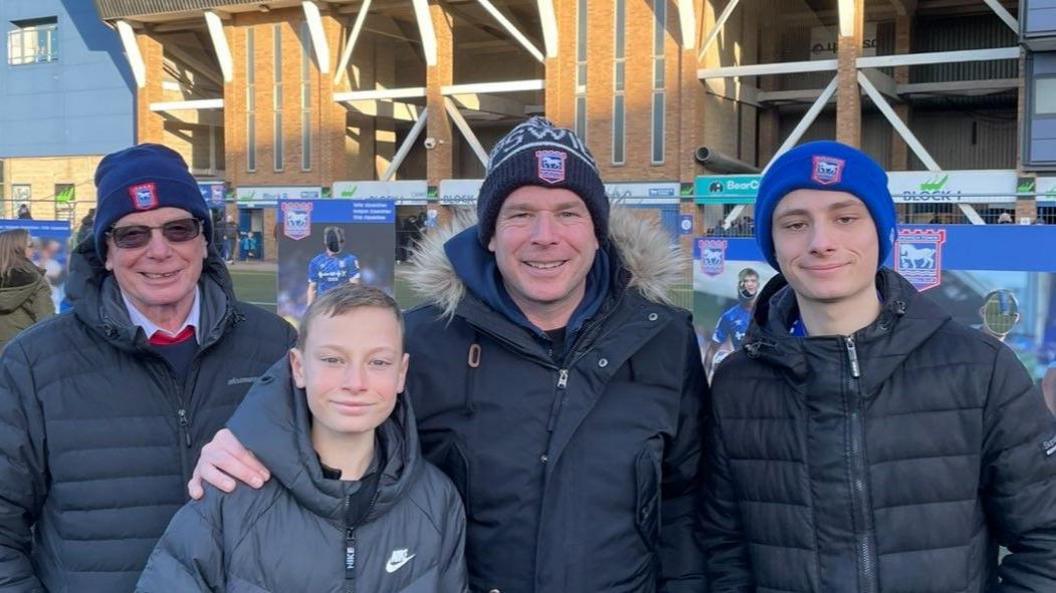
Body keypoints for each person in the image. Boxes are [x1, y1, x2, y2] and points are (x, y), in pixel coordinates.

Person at [191, 117, 708, 592]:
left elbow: (685, 502)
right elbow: (320, 391)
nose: (544, 236)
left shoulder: (663, 338)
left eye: (567, 213)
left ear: (597, 231)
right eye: (520, 214)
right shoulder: (424, 339)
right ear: (489, 235)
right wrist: (241, 440)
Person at [702, 140, 1056, 592]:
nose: (821, 242)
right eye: (795, 223)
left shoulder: (980, 370)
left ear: (881, 231)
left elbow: (1044, 539)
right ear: (772, 242)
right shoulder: (737, 385)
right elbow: (723, 548)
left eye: (845, 218)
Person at [0, 143, 296, 593]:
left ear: (203, 239)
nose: (159, 251)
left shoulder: (275, 345)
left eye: (178, 229)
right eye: (133, 235)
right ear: (106, 251)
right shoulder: (34, 363)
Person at [136, 284, 467, 592]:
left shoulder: (437, 500)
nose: (355, 382)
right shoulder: (229, 492)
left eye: (378, 362)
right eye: (332, 360)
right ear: (298, 367)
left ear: (401, 373)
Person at [0, 228, 54, 349]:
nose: (34, 250)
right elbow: (45, 323)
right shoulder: (36, 280)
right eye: (30, 246)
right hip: (21, 350)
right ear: (17, 249)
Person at [704, 267, 759, 378]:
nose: (749, 284)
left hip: (765, 372)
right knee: (720, 359)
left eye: (753, 281)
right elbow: (711, 351)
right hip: (742, 373)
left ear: (757, 285)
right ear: (739, 285)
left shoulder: (768, 310)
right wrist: (703, 384)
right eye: (746, 281)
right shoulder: (729, 317)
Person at [307, 225, 360, 305]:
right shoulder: (316, 261)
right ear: (326, 242)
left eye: (341, 241)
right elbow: (312, 287)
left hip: (343, 303)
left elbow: (355, 285)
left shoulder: (350, 259)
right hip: (323, 303)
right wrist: (309, 307)